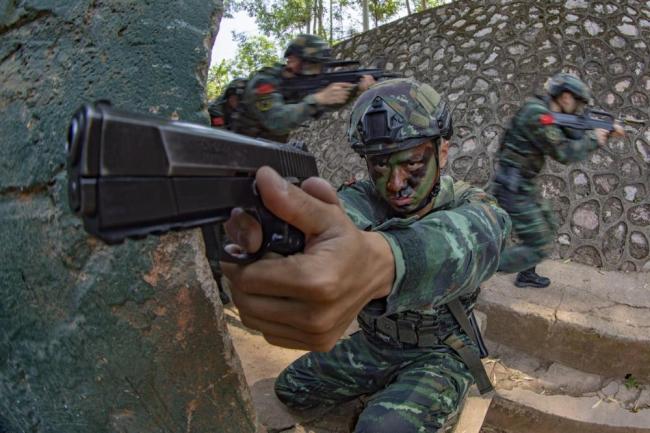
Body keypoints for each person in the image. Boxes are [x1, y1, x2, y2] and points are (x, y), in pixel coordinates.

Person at [220, 79, 511, 432]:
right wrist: (280, 236)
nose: (395, 183)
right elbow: (335, 217)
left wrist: (379, 261)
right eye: (380, 166)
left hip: (439, 353)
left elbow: (468, 240)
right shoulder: (362, 198)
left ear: (443, 152)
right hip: (376, 344)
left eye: (413, 164)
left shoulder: (475, 206)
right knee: (293, 388)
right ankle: (387, 386)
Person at [492, 72, 624, 288]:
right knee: (539, 246)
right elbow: (564, 153)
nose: (579, 107)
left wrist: (604, 131)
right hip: (512, 188)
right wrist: (596, 138)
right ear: (565, 97)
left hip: (523, 185)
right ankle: (478, 269)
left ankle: (526, 275)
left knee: (548, 225)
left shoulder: (547, 112)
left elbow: (571, 132)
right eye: (578, 102)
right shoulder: (537, 114)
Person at [231, 34, 374, 142]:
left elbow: (329, 102)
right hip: (233, 148)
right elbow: (276, 121)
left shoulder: (299, 84)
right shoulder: (264, 82)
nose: (317, 71)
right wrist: (317, 99)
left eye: (319, 66)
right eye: (312, 65)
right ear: (292, 60)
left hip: (263, 149)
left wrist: (356, 90)